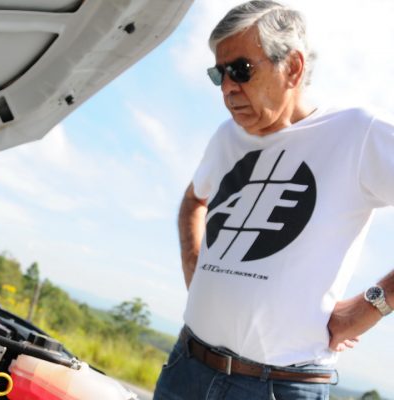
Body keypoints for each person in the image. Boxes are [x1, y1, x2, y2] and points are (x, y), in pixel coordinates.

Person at [153, 1, 394, 399]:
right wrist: (194, 266)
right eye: (218, 73)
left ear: (293, 67)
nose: (227, 87)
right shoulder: (226, 136)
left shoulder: (357, 133)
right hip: (187, 367)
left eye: (240, 69)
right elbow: (194, 199)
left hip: (279, 387)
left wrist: (374, 304)